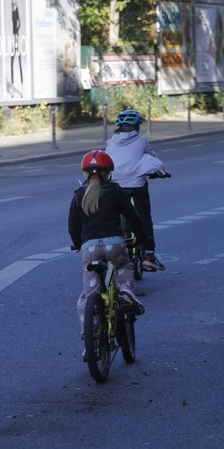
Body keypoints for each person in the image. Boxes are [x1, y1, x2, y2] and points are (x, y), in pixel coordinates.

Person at [68, 150, 147, 355]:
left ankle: (91, 337)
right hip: (115, 245)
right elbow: (133, 217)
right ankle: (125, 291)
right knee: (122, 266)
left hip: (90, 249)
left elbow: (73, 227)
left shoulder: (78, 195)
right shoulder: (114, 190)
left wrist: (79, 244)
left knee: (89, 296)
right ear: (108, 173)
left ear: (85, 174)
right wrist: (142, 237)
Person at [106, 109, 166, 272]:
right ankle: (148, 255)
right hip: (137, 184)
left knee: (114, 215)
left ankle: (112, 248)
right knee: (144, 216)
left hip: (116, 184)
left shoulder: (111, 142)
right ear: (137, 127)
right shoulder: (141, 140)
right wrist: (161, 171)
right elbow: (152, 157)